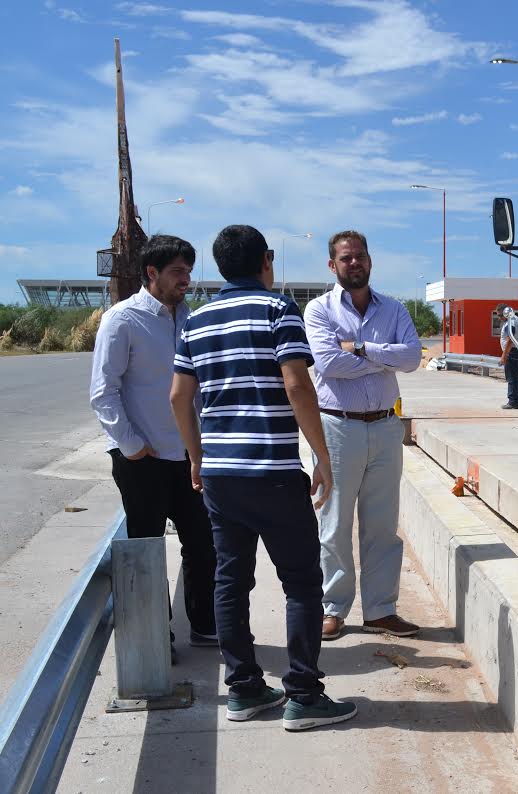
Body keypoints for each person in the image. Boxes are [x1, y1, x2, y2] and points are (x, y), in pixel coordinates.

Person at [170, 224, 356, 731]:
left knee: (230, 580)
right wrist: (321, 455)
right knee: (301, 582)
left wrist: (196, 457)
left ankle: (246, 690)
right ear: (266, 261)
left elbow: (178, 397)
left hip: (222, 477)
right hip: (273, 472)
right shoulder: (279, 311)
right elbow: (297, 384)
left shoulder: (198, 320)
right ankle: (303, 695)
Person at [90, 234, 217, 659]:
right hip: (142, 458)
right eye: (177, 272)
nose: (186, 280)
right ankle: (156, 636)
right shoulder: (122, 320)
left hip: (187, 455)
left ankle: (204, 623)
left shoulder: (190, 317)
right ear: (152, 273)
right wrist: (131, 445)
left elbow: (196, 387)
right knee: (146, 548)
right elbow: (103, 391)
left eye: (188, 271)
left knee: (202, 542)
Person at [303, 230, 421, 642]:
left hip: (387, 426)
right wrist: (381, 356)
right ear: (332, 265)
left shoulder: (394, 308)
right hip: (338, 427)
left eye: (361, 257)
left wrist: (361, 349)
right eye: (346, 258)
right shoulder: (318, 310)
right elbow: (328, 363)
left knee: (383, 525)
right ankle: (333, 609)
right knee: (334, 524)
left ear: (370, 261)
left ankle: (381, 610)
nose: (355, 263)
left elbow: (411, 358)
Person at [497, 305, 518, 410]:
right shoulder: (513, 320)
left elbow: (510, 339)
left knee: (511, 378)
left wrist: (504, 355)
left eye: (500, 315)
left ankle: (513, 401)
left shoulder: (511, 321)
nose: (499, 318)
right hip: (514, 352)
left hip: (512, 353)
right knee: (515, 378)